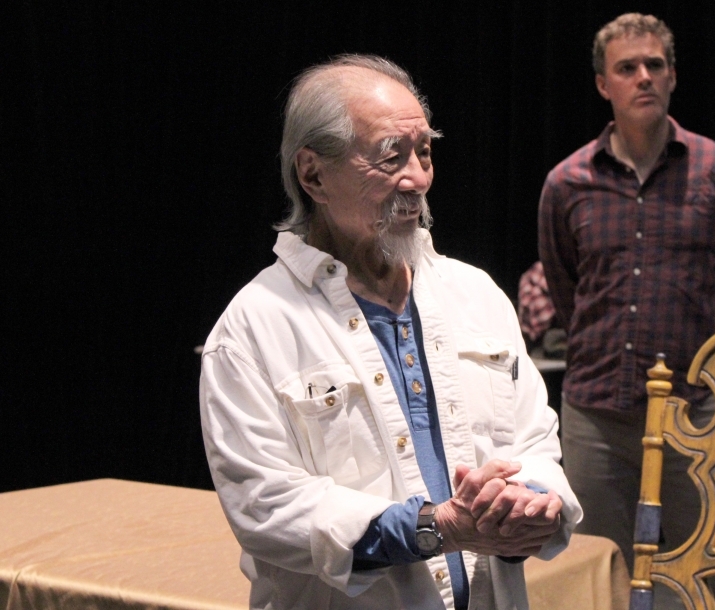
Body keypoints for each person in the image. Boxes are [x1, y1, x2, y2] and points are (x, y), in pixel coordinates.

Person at [200, 54, 581, 610]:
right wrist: (435, 527)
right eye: (390, 156)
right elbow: (267, 507)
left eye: (424, 151)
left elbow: (534, 444)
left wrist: (531, 504)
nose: (418, 178)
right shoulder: (253, 327)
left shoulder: (475, 294)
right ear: (313, 175)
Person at [538, 13, 715, 610]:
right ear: (602, 84)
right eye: (627, 67)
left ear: (672, 77)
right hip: (597, 415)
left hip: (698, 411)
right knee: (594, 573)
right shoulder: (567, 183)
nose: (643, 76)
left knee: (713, 577)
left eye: (654, 65)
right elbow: (566, 289)